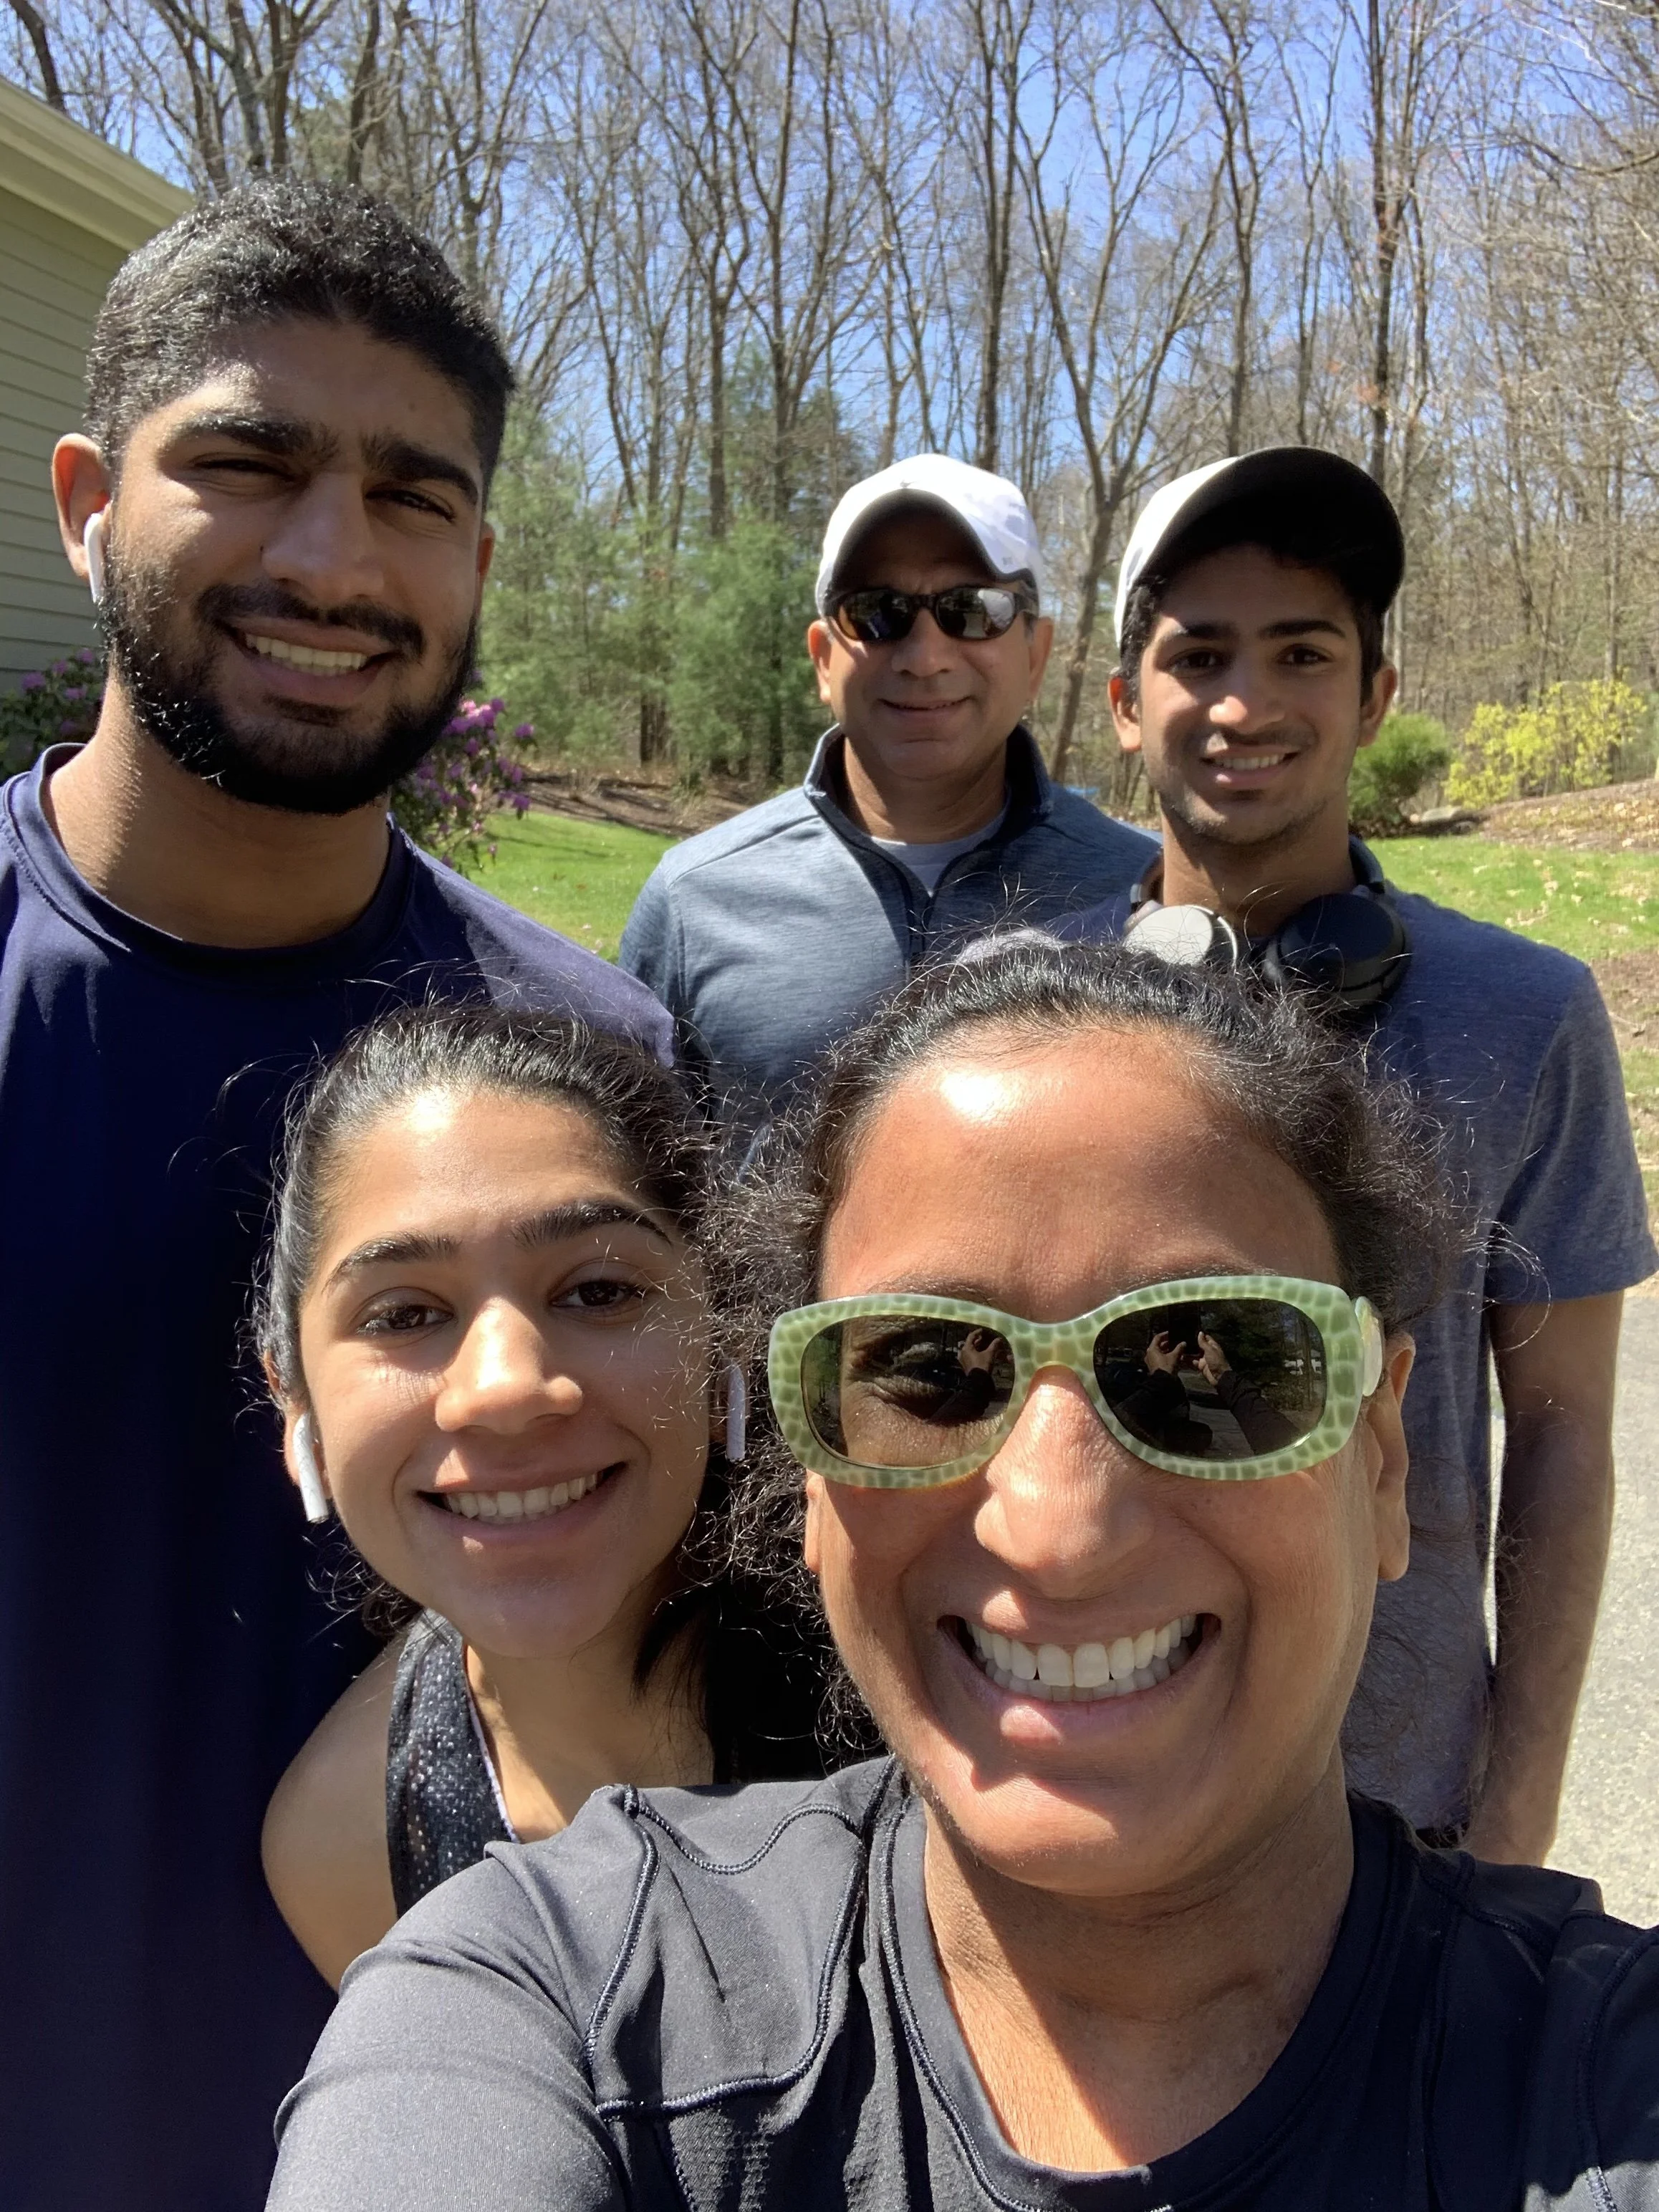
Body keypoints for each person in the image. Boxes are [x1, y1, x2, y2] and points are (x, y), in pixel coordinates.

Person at [266, 943, 1659, 2211]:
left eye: (1212, 1360)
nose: (1061, 1527)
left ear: (1381, 1454)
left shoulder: (1604, 2078)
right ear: (807, 1475)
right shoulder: (541, 1987)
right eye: (926, 1372)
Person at [0, 181, 668, 2210]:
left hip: (419, 2134)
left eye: (409, 494)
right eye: (246, 464)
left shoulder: (594, 1076)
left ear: (475, 554)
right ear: (89, 499)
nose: (328, 557)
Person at [1054, 448, 1653, 1857]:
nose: (1248, 704)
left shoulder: (1530, 1014)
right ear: (1127, 705)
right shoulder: (1018, 1020)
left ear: (1376, 696)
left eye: (1303, 653)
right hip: (1092, 1782)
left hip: (1409, 1814)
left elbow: (1566, 1436)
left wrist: (1516, 1808)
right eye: (1200, 654)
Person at [256, 1005, 846, 1988]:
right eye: (405, 1313)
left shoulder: (912, 1686)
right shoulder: (348, 1846)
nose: (506, 1389)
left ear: (725, 1347)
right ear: (296, 1401)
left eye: (598, 1291)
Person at [619, 452, 1154, 1117]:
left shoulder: (1143, 893)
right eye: (877, 611)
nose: (925, 657)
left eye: (974, 609)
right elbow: (637, 1185)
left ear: (1036, 655)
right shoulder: (692, 901)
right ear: (822, 659)